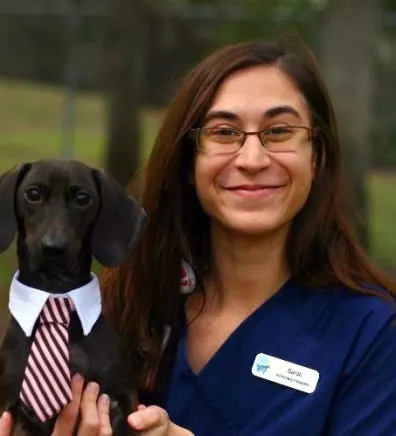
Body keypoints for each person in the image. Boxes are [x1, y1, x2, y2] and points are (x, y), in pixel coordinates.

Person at [1, 38, 396, 435]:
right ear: (189, 161)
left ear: (318, 156)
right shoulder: (127, 305)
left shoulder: (371, 335)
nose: (253, 159)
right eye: (224, 132)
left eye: (279, 131)